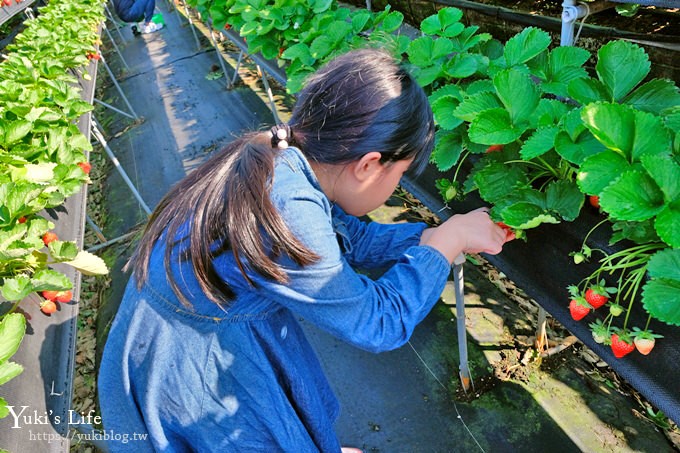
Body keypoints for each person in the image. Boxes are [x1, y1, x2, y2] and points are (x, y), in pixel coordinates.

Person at [98, 47, 512, 452]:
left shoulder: (283, 159)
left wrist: (435, 236)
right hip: (189, 370)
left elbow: (354, 239)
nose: (397, 186)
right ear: (368, 165)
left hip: (183, 333)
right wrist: (446, 244)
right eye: (400, 174)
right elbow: (376, 323)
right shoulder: (284, 208)